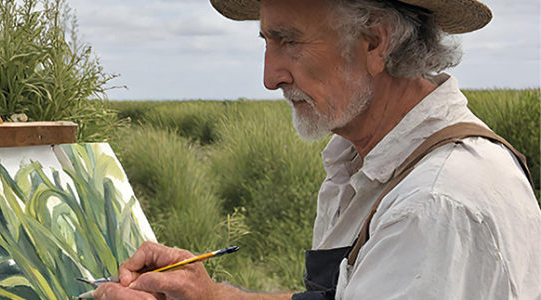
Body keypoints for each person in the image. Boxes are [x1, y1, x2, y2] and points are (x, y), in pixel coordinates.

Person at [94, 0, 541, 299]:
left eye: (288, 41)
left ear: (374, 42)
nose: (270, 77)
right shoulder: (370, 161)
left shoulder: (433, 205)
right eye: (266, 41)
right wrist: (211, 294)